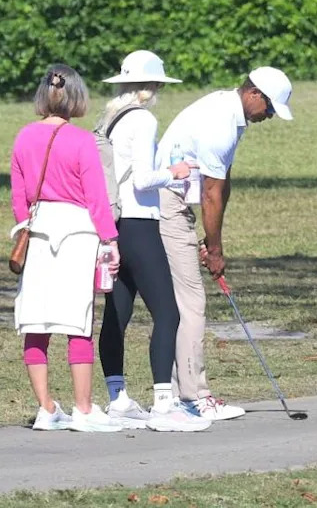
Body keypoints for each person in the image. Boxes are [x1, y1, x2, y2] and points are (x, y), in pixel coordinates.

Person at [155, 66, 294, 421]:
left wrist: (209, 238)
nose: (270, 116)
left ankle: (176, 393)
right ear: (254, 95)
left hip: (177, 206)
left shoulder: (227, 113)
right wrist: (215, 250)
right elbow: (211, 193)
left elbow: (222, 181)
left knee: (183, 302)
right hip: (169, 204)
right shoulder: (221, 124)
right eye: (271, 108)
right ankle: (193, 396)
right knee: (191, 302)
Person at [95, 51, 211, 432]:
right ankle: (164, 401)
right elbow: (144, 179)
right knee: (168, 313)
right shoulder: (143, 120)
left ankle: (118, 398)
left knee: (118, 313)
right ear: (154, 86)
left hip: (114, 223)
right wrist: (174, 173)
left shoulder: (111, 117)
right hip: (140, 221)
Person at [10, 64, 123, 432]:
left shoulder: (24, 136)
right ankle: (84, 407)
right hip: (77, 232)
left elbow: (18, 194)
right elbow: (96, 197)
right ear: (75, 97)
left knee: (37, 322)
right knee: (79, 324)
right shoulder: (82, 140)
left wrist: (24, 224)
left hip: (38, 227)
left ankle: (46, 406)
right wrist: (110, 239)